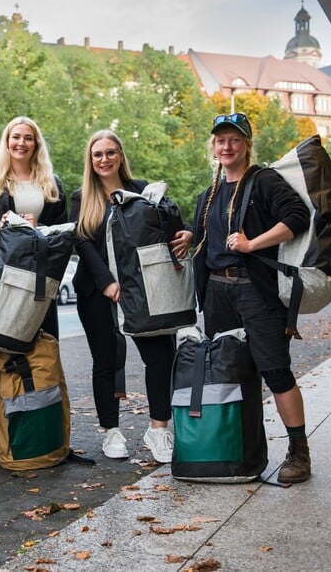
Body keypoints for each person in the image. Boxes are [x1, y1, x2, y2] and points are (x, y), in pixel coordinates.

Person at [191, 112, 312, 483]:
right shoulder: (208, 194)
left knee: (274, 371)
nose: (226, 146)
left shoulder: (263, 181)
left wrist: (252, 244)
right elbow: (203, 236)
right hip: (217, 293)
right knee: (229, 375)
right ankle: (237, 449)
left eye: (234, 140)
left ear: (246, 145)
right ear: (214, 146)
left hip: (256, 291)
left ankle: (299, 453)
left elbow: (298, 216)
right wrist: (186, 236)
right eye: (221, 140)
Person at [70, 130, 188, 462]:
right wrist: (106, 281)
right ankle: (111, 432)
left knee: (160, 355)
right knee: (105, 361)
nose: (104, 159)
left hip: (142, 287)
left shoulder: (140, 189)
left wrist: (188, 231)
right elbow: (81, 241)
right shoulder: (83, 197)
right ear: (90, 161)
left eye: (110, 152)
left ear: (120, 155)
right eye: (97, 154)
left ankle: (158, 429)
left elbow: (165, 227)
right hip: (96, 290)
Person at [0, 116, 67, 337]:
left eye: (28, 138)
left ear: (36, 144)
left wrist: (39, 226)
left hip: (38, 277)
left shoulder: (52, 185)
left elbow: (63, 235)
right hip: (1, 275)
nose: (21, 143)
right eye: (16, 137)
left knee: (41, 342)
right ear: (7, 142)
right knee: (0, 343)